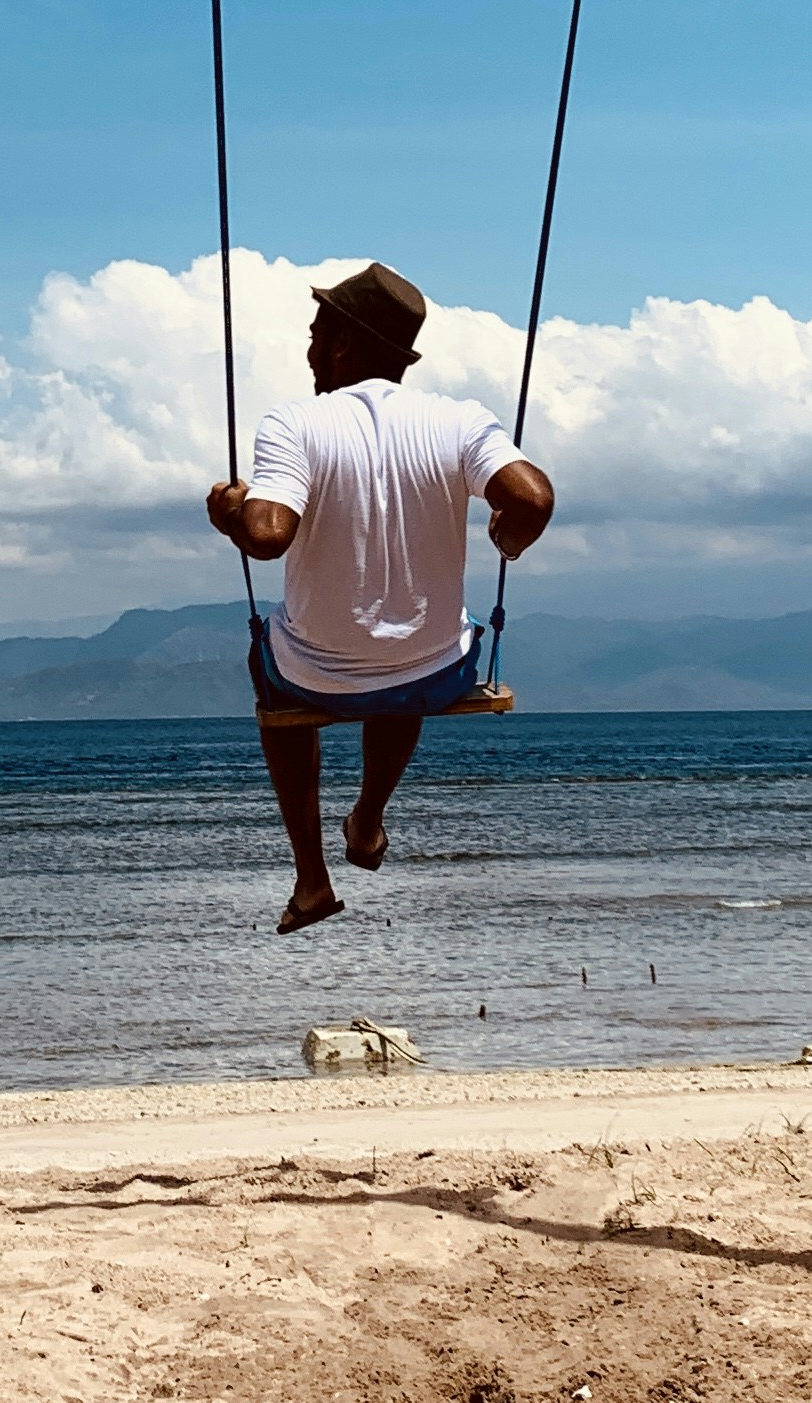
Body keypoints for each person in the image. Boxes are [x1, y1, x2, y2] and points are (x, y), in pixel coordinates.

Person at [204, 260, 555, 934]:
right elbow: (532, 500)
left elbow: (270, 536)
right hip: (432, 672)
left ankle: (312, 878)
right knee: (414, 652)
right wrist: (507, 539)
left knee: (271, 670)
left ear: (341, 343)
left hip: (314, 678)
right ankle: (366, 820)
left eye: (315, 334)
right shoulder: (458, 421)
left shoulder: (295, 424)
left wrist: (232, 512)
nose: (309, 350)